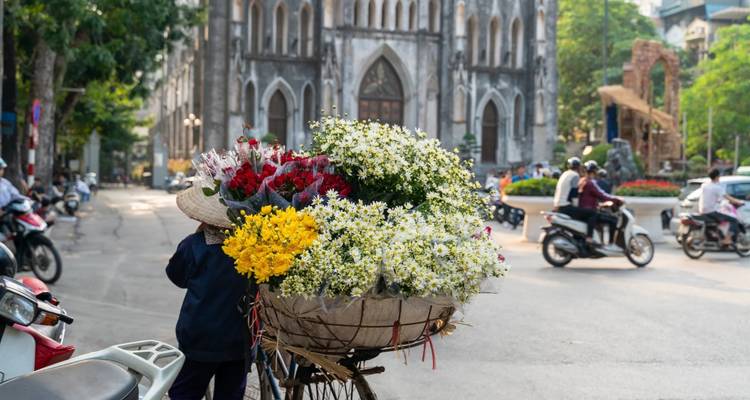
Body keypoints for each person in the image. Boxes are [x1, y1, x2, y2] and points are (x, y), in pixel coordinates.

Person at [166, 186, 255, 400]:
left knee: (184, 392)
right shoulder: (253, 247)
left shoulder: (194, 245)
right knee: (231, 394)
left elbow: (176, 275)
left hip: (199, 339)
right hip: (239, 340)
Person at [553, 157, 598, 244]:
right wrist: (578, 206)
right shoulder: (575, 175)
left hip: (558, 205)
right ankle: (589, 237)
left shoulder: (564, 174)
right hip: (566, 206)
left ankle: (577, 239)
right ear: (578, 167)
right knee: (592, 213)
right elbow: (574, 194)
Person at [578, 161, 622, 247]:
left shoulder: (582, 181)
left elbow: (592, 197)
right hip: (590, 210)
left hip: (585, 209)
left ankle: (602, 243)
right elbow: (602, 195)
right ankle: (611, 244)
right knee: (613, 220)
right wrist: (617, 199)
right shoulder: (590, 183)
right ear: (594, 172)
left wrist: (601, 204)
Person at [699, 168, 745, 245]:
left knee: (720, 219)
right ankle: (727, 239)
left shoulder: (704, 185)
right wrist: (739, 202)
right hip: (712, 212)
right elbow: (728, 197)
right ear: (717, 177)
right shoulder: (717, 188)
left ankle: (718, 236)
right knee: (734, 220)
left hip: (702, 210)